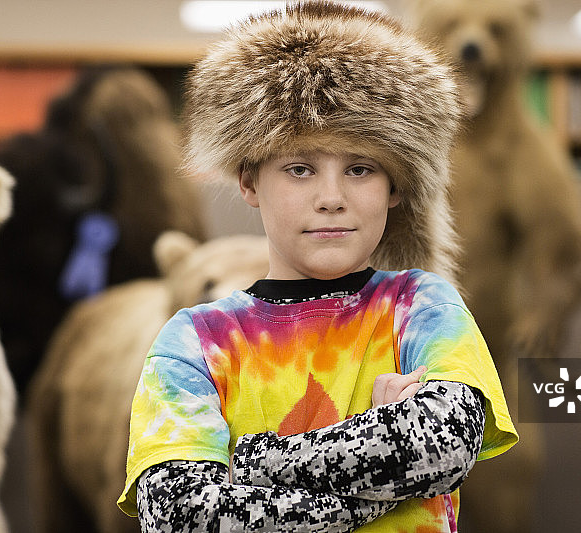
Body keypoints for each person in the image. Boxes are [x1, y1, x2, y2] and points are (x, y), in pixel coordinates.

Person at [117, 2, 518, 531]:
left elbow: (441, 443)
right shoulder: (194, 340)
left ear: (396, 186)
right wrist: (380, 439)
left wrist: (255, 464)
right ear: (249, 181)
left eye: (360, 168)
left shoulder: (420, 306)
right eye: (300, 168)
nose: (331, 198)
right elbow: (182, 516)